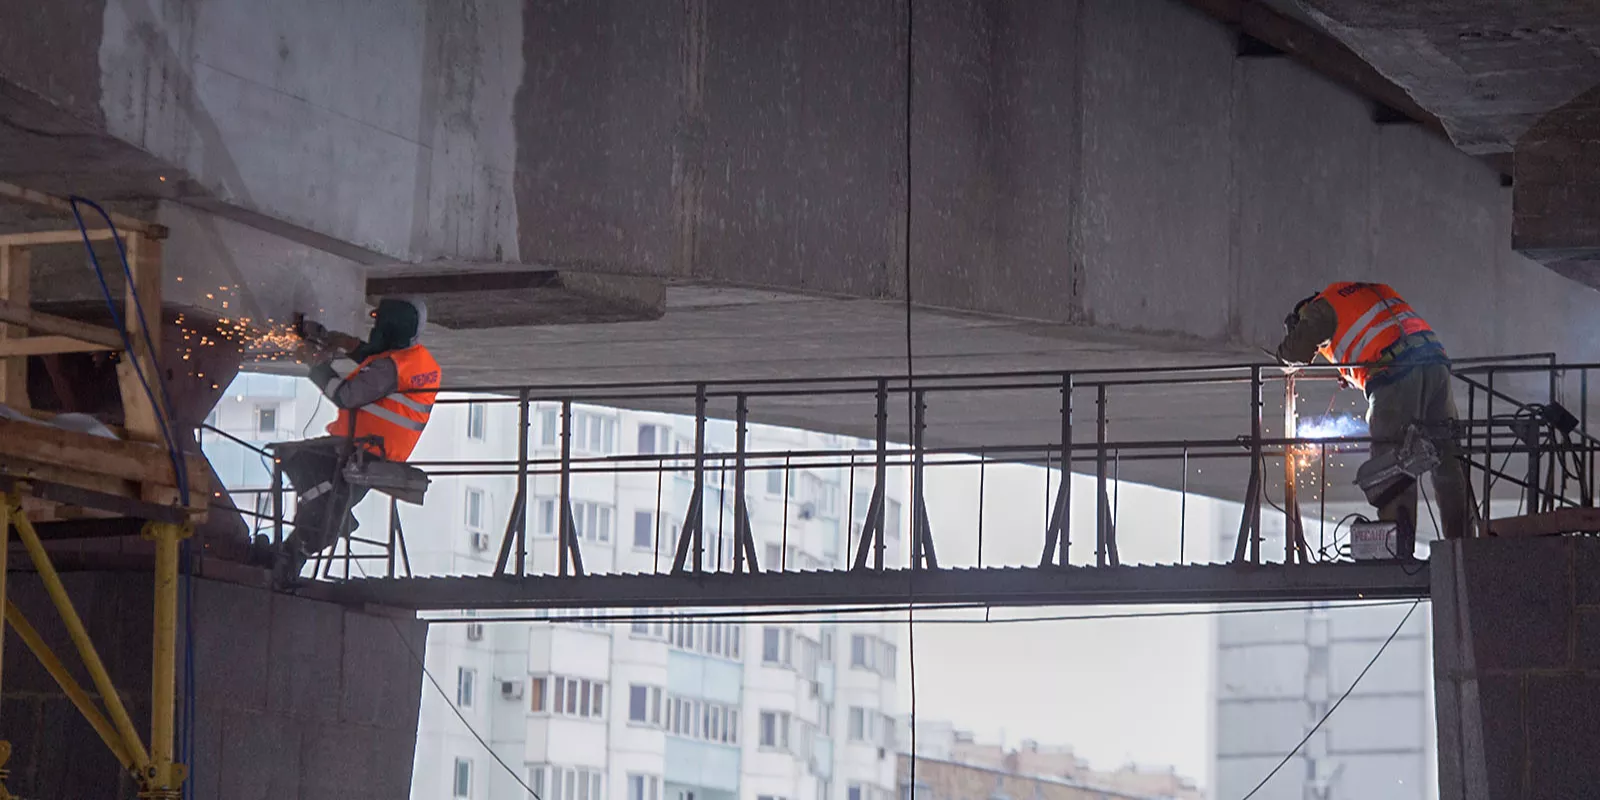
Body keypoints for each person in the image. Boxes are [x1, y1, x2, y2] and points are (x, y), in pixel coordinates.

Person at [1276, 282, 1474, 557]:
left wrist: (1283, 355)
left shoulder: (1318, 309)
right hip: (1435, 364)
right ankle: (1463, 545)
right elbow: (1382, 335)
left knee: (1392, 461)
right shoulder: (1361, 292)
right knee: (1447, 459)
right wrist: (1351, 373)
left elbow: (1296, 352)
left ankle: (1396, 552)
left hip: (1394, 373)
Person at [269, 296, 440, 583]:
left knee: (293, 460)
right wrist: (344, 343)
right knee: (321, 492)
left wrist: (316, 365)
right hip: (377, 449)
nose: (374, 327)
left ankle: (307, 542)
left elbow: (346, 395)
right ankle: (330, 521)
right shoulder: (416, 360)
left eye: (379, 322)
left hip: (360, 451)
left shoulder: (391, 368)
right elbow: (379, 360)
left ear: (391, 327)